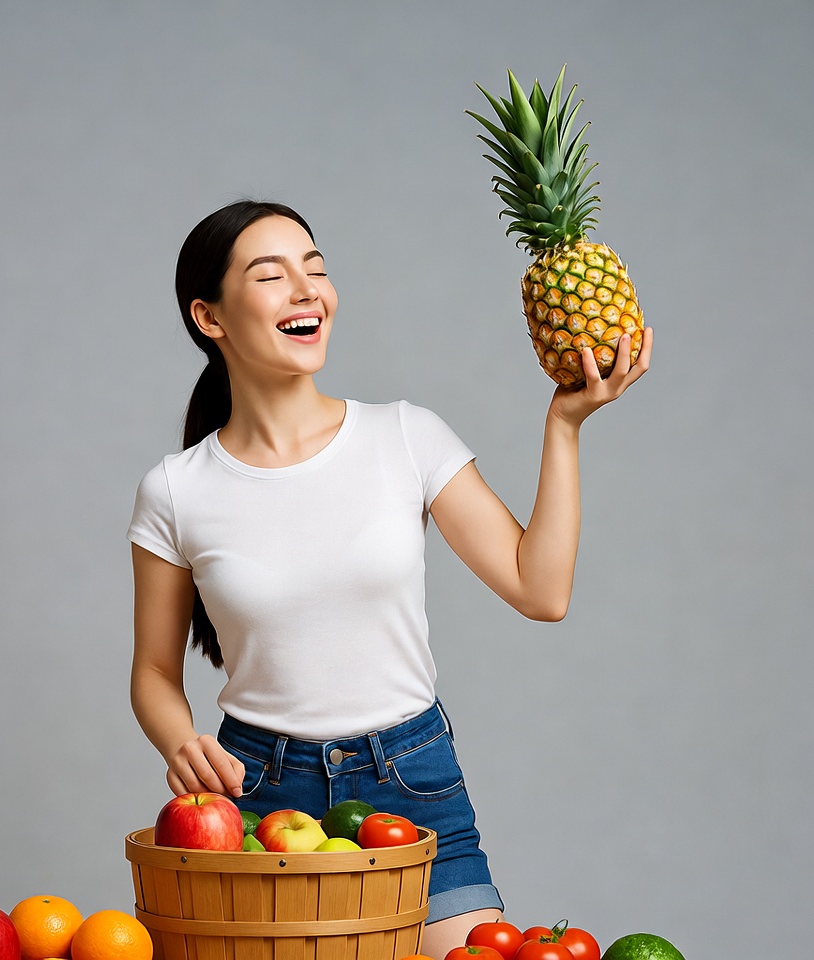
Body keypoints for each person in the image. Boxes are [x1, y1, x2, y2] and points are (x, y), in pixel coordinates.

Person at [127, 199, 653, 957]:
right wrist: (180, 741)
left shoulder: (405, 436)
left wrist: (564, 426)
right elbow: (151, 671)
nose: (307, 290)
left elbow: (541, 591)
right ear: (209, 318)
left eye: (316, 269)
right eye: (272, 276)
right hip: (256, 794)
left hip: (411, 781)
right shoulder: (177, 489)